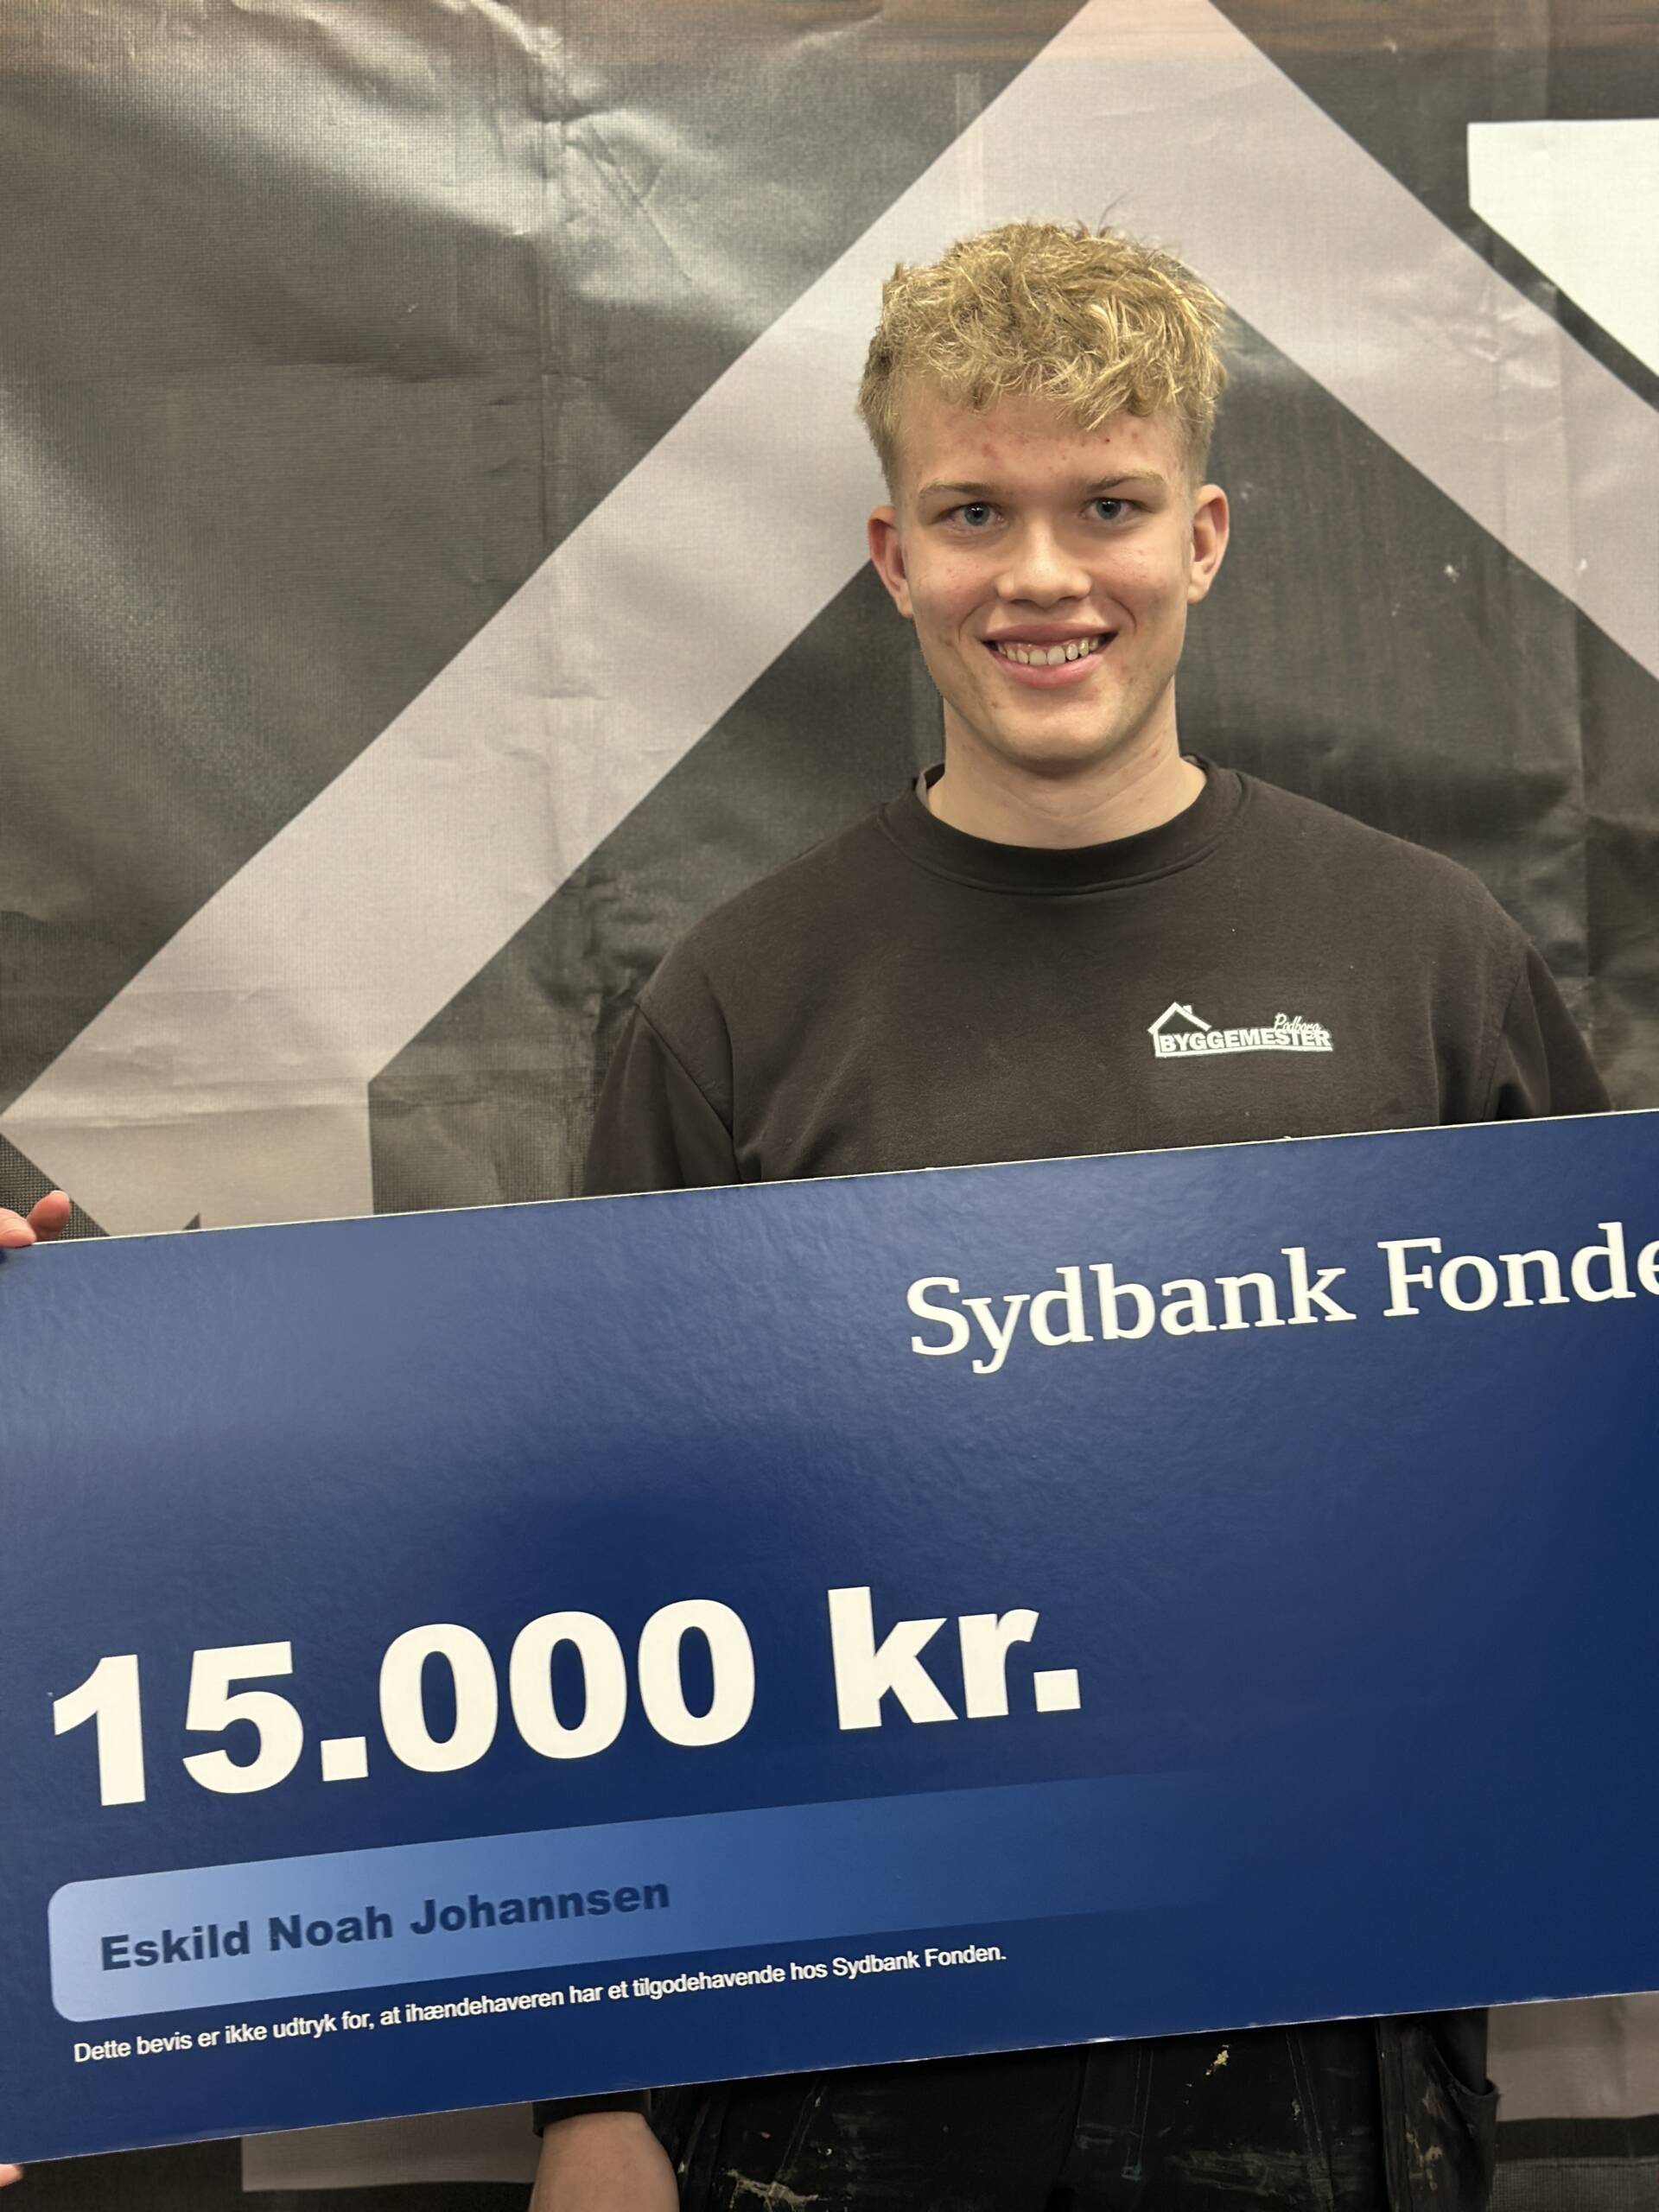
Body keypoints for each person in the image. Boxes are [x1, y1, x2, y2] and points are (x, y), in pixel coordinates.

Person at [525, 221, 1606, 2211]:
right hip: (848, 2044)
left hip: (1329, 2021)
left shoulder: (1427, 958)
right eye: (975, 512)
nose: (1041, 574)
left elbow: (1588, 1481)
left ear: (1202, 534)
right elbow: (609, 1557)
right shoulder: (742, 999)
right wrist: (593, 2096)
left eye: (1105, 504)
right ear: (893, 554)